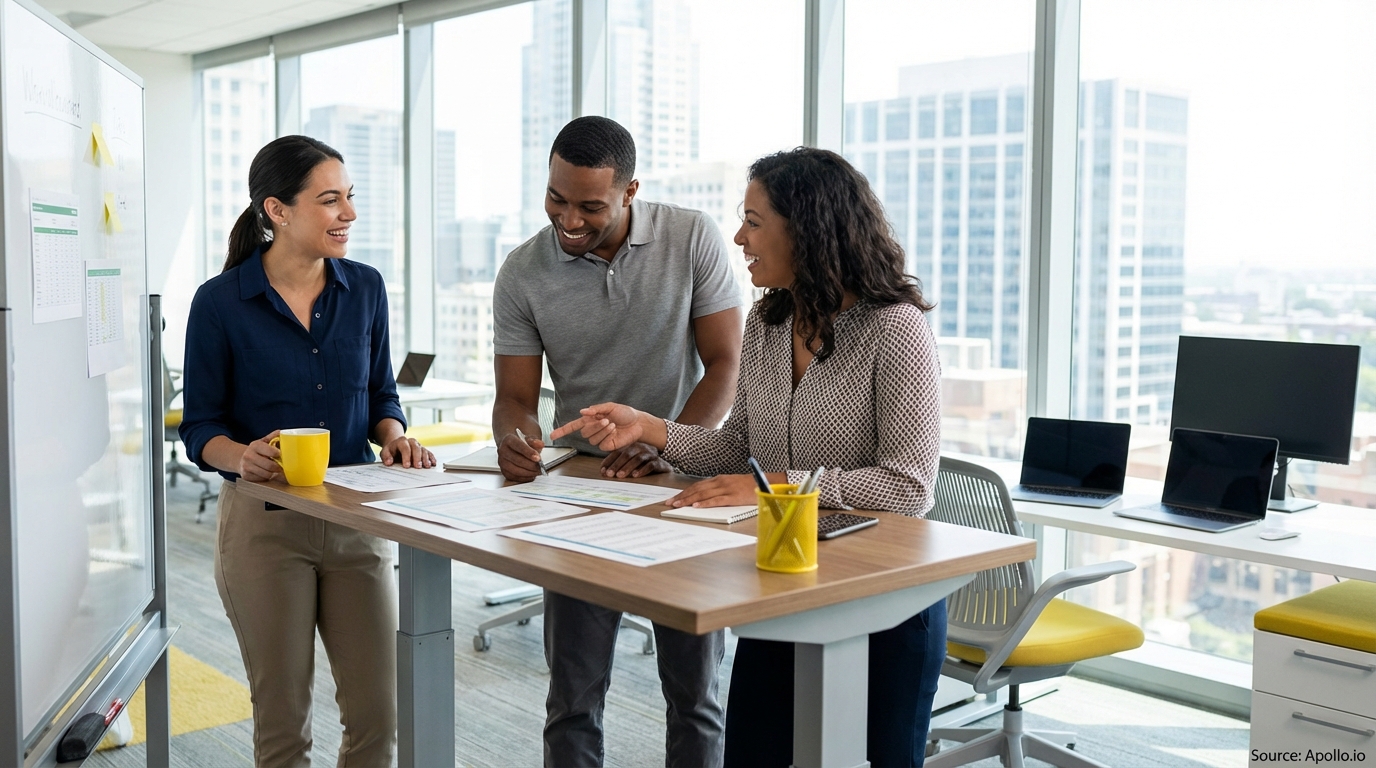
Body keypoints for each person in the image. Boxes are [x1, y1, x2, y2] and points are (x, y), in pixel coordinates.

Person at [551, 147, 945, 768]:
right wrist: (650, 428)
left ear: (808, 229)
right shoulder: (767, 322)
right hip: (781, 584)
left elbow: (908, 486)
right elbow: (739, 447)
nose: (739, 237)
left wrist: (776, 488)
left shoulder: (895, 328)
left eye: (755, 222)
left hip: (878, 599)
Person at [491, 115, 745, 767]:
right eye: (556, 198)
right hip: (582, 492)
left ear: (631, 192)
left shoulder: (693, 238)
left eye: (589, 206)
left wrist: (672, 444)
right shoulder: (522, 271)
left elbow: (726, 364)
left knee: (696, 697)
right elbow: (516, 399)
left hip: (685, 488)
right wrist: (515, 439)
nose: (568, 220)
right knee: (572, 698)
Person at [180, 135, 434, 768]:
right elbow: (199, 426)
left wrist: (396, 436)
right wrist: (241, 457)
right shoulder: (219, 303)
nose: (348, 213)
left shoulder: (366, 289)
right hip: (266, 532)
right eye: (329, 200)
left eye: (350, 198)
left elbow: (382, 394)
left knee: (379, 718)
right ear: (277, 210)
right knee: (284, 726)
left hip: (356, 524)